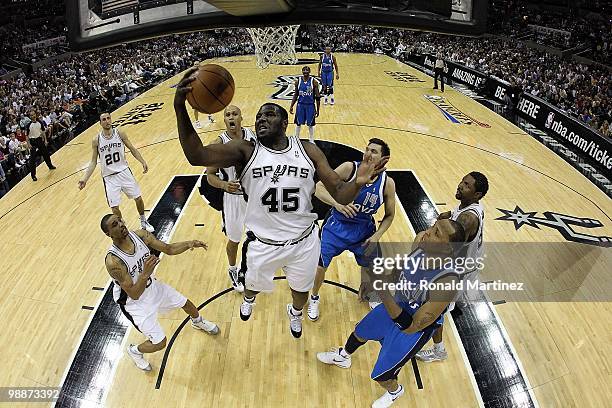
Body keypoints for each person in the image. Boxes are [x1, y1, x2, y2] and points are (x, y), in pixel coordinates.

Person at [173, 67, 387, 339]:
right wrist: (180, 106)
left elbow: (339, 194)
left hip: (303, 242)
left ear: (285, 123)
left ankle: (295, 312)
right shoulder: (245, 151)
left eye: (269, 114)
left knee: (301, 290)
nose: (261, 118)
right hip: (262, 243)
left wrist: (357, 183)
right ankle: (249, 298)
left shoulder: (307, 150)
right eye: (259, 115)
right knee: (250, 285)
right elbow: (197, 155)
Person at [317, 219, 465, 408]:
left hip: (412, 330)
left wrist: (382, 290)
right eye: (432, 226)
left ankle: (395, 391)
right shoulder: (421, 241)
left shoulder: (447, 282)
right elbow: (404, 267)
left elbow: (413, 325)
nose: (427, 232)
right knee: (360, 332)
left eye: (436, 233)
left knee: (382, 375)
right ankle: (343, 356)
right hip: (396, 305)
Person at [101, 214, 220, 372]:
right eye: (115, 225)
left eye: (120, 220)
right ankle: (134, 351)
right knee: (160, 343)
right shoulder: (113, 261)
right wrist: (144, 273)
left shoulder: (141, 236)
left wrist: (190, 243)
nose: (121, 224)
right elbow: (134, 294)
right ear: (109, 234)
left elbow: (169, 249)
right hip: (135, 304)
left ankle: (197, 321)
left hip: (152, 287)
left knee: (186, 304)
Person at [307, 138, 396, 321]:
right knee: (320, 265)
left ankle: (370, 291)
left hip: (363, 230)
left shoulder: (388, 184)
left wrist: (378, 235)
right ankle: (314, 297)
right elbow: (319, 187)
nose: (368, 154)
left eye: (374, 151)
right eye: (367, 149)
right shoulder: (350, 168)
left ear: (384, 159)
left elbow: (389, 215)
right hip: (336, 227)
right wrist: (337, 204)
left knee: (374, 265)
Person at [416, 171, 488, 363]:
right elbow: (455, 220)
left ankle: (439, 350)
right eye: (462, 181)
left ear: (477, 194)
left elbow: (450, 249)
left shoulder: (468, 219)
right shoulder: (469, 206)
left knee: (435, 309)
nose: (460, 186)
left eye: (466, 185)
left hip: (459, 270)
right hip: (466, 263)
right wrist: (446, 216)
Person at [206, 105, 256, 292]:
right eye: (227, 115)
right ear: (224, 120)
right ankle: (233, 269)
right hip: (232, 199)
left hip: (253, 196)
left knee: (259, 235)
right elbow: (210, 176)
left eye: (235, 114)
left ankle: (254, 266)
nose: (231, 117)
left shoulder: (254, 137)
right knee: (234, 239)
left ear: (241, 117)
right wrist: (224, 185)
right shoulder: (218, 144)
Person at [78, 112, 155, 233]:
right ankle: (123, 227)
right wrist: (84, 179)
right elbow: (93, 162)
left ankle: (143, 221)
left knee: (138, 198)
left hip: (124, 171)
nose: (107, 121)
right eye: (104, 119)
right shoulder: (96, 140)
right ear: (100, 123)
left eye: (108, 118)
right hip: (109, 178)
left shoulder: (119, 133)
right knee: (114, 208)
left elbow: (132, 148)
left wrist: (142, 161)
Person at [289, 66, 321, 143]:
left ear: (309, 72)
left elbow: (318, 97)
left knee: (311, 124)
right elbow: (296, 95)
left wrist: (318, 109)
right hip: (300, 105)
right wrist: (291, 106)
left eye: (307, 70)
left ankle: (311, 139)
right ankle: (296, 138)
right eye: (304, 70)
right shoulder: (298, 81)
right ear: (302, 71)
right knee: (298, 123)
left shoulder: (314, 82)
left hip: (310, 105)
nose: (305, 71)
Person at [27, 112, 56, 181]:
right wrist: (29, 144)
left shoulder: (40, 122)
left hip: (39, 140)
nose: (32, 116)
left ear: (35, 115)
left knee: (46, 154)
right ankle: (33, 175)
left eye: (33, 114)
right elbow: (26, 136)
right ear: (30, 116)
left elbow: (43, 132)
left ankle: (50, 165)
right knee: (32, 160)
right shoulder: (28, 125)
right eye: (31, 115)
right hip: (33, 142)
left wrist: (45, 140)